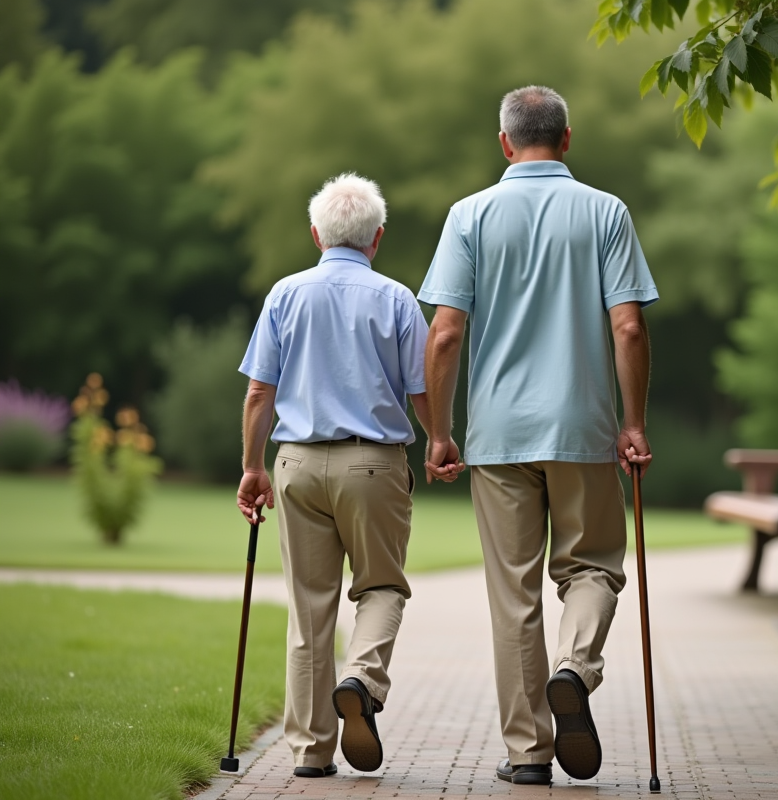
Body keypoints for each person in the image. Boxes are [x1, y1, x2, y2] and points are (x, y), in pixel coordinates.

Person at [419, 85, 657, 786]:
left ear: (504, 142)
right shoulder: (605, 212)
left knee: (513, 596)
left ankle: (529, 753)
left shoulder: (469, 216)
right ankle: (574, 668)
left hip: (497, 437)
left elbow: (446, 332)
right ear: (567, 138)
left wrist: (439, 432)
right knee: (594, 568)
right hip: (583, 427)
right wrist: (634, 422)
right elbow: (629, 326)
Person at [236, 173, 456, 778]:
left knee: (310, 608)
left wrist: (253, 467)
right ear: (377, 238)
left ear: (315, 234)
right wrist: (439, 439)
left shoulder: (284, 295)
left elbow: (260, 392)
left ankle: (311, 751)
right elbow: (421, 388)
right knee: (381, 586)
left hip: (297, 462)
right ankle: (361, 677)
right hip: (373, 463)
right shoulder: (396, 299)